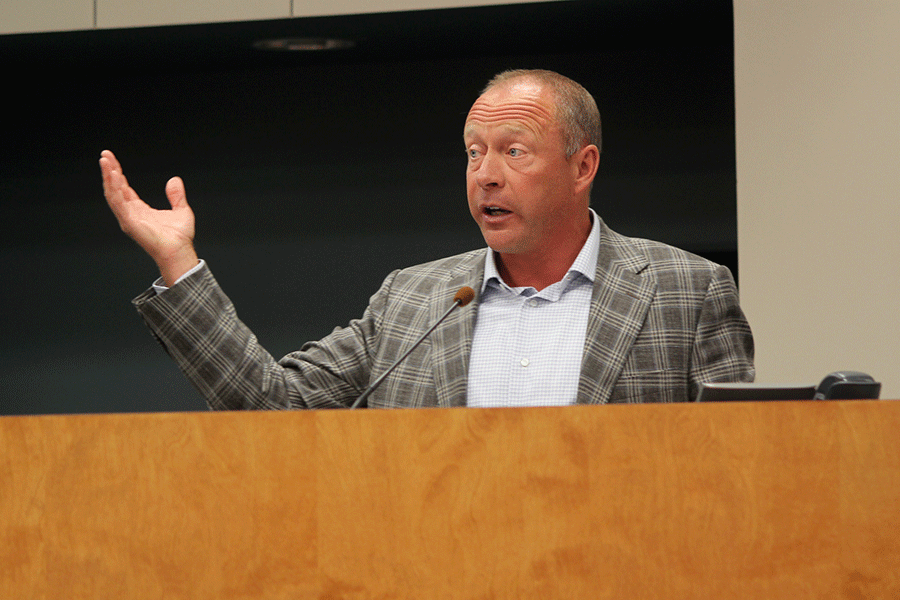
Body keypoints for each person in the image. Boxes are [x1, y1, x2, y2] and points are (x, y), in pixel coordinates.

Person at [100, 69, 754, 410]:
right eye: (473, 153)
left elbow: (742, 471)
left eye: (514, 151)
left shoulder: (685, 293)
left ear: (583, 166)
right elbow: (275, 406)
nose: (486, 175)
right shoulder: (414, 301)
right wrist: (177, 260)